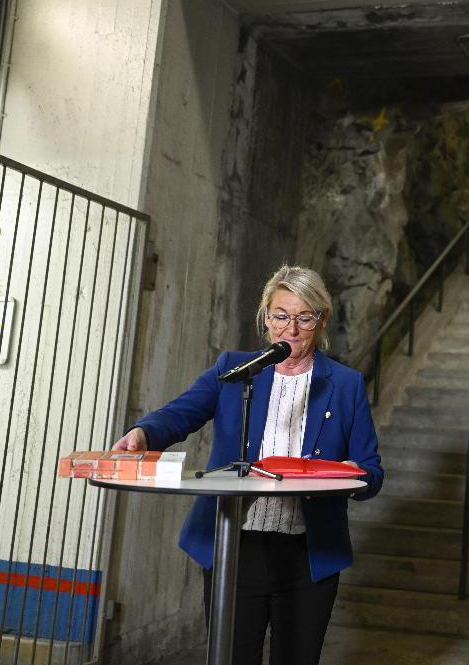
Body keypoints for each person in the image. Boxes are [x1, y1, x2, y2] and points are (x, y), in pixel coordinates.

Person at [112, 265, 383, 665]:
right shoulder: (234, 370)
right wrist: (143, 434)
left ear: (321, 319)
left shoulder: (345, 385)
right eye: (280, 315)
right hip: (236, 548)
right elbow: (180, 413)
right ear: (266, 317)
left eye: (304, 317)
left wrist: (347, 474)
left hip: (307, 555)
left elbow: (372, 472)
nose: (290, 329)